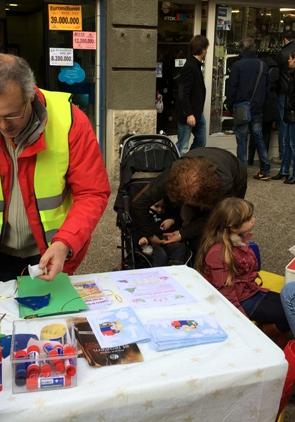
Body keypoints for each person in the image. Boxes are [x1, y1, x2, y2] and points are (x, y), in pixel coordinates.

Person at [0, 54, 110, 282]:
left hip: (49, 255)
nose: (3, 126)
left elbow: (92, 192)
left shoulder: (70, 121)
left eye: (12, 115)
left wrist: (65, 242)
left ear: (30, 97)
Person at [195, 197, 290, 335]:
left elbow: (251, 269)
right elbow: (227, 295)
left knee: (290, 305)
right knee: (288, 313)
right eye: (248, 219)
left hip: (251, 290)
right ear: (233, 226)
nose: (254, 220)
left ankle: (270, 330)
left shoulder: (237, 240)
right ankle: (268, 335)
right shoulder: (218, 253)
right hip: (242, 300)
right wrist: (242, 322)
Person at [131, 147, 247, 255]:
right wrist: (150, 234)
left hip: (235, 174)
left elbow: (214, 217)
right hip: (198, 159)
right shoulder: (172, 174)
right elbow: (139, 203)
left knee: (222, 225)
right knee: (190, 219)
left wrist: (183, 233)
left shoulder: (225, 185)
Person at [226, 37, 271, 181]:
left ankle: (242, 173)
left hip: (241, 107)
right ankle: (265, 169)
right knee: (259, 137)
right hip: (257, 107)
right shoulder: (263, 65)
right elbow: (267, 88)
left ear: (242, 49)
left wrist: (231, 104)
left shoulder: (238, 66)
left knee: (242, 140)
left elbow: (231, 88)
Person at [175, 35, 209, 155]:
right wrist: (189, 114)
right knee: (182, 145)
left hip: (197, 113)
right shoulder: (190, 66)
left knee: (201, 140)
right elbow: (183, 92)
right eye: (206, 49)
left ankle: (189, 163)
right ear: (203, 50)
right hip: (188, 114)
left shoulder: (196, 65)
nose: (206, 52)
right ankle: (176, 169)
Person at [135, 199, 188, 267]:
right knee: (161, 255)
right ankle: (159, 274)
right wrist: (144, 239)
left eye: (162, 207)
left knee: (180, 247)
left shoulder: (165, 213)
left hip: (165, 241)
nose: (160, 209)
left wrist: (172, 221)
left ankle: (175, 270)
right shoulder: (145, 215)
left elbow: (179, 222)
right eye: (156, 206)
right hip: (151, 244)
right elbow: (140, 230)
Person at [272, 49, 295, 184]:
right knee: (287, 142)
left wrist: (290, 105)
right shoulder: (290, 75)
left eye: (291, 58)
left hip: (291, 112)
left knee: (292, 144)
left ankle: (291, 174)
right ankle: (284, 171)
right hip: (288, 111)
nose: (288, 60)